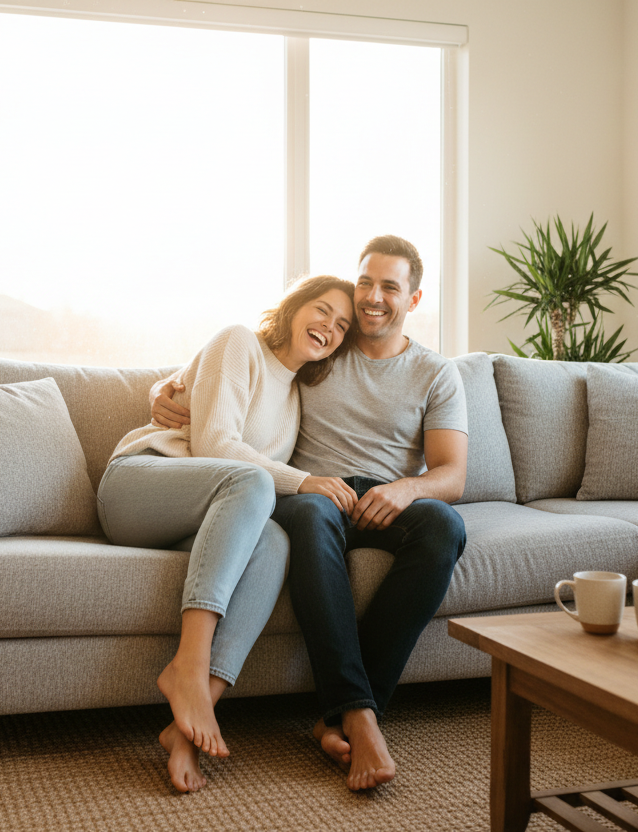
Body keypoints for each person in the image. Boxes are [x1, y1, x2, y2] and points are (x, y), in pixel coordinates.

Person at [151, 235, 468, 791]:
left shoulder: (436, 374)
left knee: (445, 527)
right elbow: (229, 369)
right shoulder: (325, 349)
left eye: (389, 287)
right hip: (310, 495)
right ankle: (361, 717)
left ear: (413, 300)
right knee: (310, 517)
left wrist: (407, 490)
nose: (372, 297)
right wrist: (164, 388)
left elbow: (452, 474)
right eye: (365, 282)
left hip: (387, 498)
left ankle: (338, 713)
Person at [98, 275, 356, 794]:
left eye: (342, 325)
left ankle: (189, 724)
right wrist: (306, 481)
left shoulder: (297, 399)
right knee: (252, 478)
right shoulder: (239, 341)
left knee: (276, 543)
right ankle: (188, 667)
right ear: (294, 307)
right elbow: (216, 442)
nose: (330, 326)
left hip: (196, 516)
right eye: (322, 310)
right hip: (139, 484)